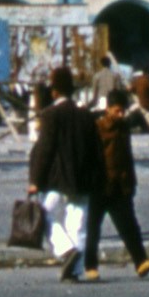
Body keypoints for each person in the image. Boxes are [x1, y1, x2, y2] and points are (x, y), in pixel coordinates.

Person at [25, 65, 104, 284]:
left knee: (42, 214)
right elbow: (97, 149)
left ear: (55, 92)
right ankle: (74, 271)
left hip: (58, 179)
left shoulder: (51, 115)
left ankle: (66, 250)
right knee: (77, 224)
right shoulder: (86, 116)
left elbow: (45, 150)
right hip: (83, 179)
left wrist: (35, 181)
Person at [86, 83, 149, 277]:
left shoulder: (124, 127)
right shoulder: (98, 127)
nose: (120, 114)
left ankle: (141, 262)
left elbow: (127, 158)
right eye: (117, 110)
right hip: (100, 186)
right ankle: (90, 267)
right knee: (93, 229)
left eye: (122, 111)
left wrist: (131, 183)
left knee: (130, 227)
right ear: (108, 109)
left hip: (121, 185)